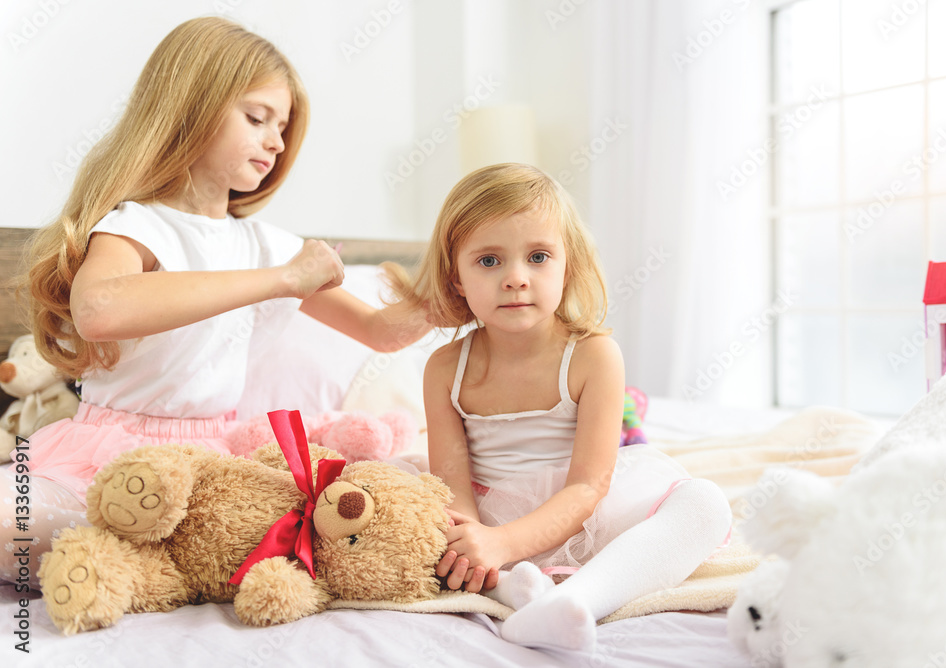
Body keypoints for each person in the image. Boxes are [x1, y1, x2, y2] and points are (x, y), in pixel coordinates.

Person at [0, 17, 430, 588]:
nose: (276, 141)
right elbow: (101, 310)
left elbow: (381, 332)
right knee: (12, 528)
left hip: (214, 461)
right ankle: (137, 562)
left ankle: (144, 568)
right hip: (107, 450)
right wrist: (279, 279)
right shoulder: (137, 226)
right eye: (257, 118)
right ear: (191, 110)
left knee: (342, 535)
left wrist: (455, 289)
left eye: (282, 127)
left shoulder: (265, 243)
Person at [386, 163, 732, 651]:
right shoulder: (445, 368)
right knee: (394, 503)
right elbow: (452, 487)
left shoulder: (593, 355)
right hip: (486, 515)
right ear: (456, 277)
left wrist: (505, 545)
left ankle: (577, 602)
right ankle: (512, 587)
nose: (515, 279)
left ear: (567, 265)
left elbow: (590, 486)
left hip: (581, 511)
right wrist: (476, 540)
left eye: (538, 256)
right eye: (488, 261)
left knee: (704, 504)